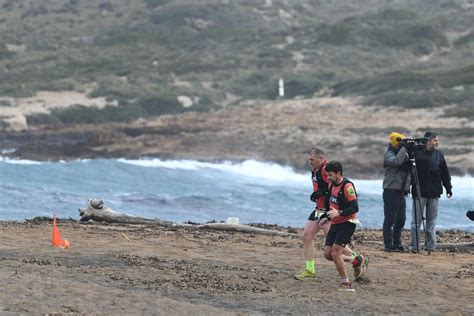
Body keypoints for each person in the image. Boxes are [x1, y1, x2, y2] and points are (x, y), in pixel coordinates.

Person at [294, 148, 357, 280]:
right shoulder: (316, 169)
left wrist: (323, 194)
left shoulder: (325, 169)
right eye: (309, 159)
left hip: (328, 212)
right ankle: (310, 270)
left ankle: (357, 259)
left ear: (321, 158)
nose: (309, 162)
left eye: (312, 159)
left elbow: (334, 185)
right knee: (307, 236)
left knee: (335, 246)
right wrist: (317, 195)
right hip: (319, 209)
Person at [321, 161, 368, 291]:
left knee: (336, 253)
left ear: (339, 173)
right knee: (327, 254)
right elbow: (330, 205)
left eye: (330, 175)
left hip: (348, 222)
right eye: (327, 175)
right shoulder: (331, 185)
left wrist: (339, 212)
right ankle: (356, 260)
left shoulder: (347, 186)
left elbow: (354, 207)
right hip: (335, 223)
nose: (328, 178)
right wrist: (325, 217)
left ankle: (346, 283)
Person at [410, 131, 453, 252]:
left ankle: (431, 246)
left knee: (431, 223)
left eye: (437, 140)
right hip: (419, 193)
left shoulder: (439, 155)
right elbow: (410, 173)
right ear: (428, 141)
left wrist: (448, 188)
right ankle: (415, 246)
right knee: (416, 223)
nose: (437, 142)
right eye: (435, 140)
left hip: (434, 194)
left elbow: (445, 173)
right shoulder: (417, 153)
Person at [382, 132, 411, 252]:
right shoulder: (389, 154)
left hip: (401, 192)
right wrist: (405, 148)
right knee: (390, 219)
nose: (402, 145)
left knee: (400, 220)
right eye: (401, 143)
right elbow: (397, 162)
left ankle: (397, 243)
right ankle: (388, 245)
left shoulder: (404, 154)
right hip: (390, 191)